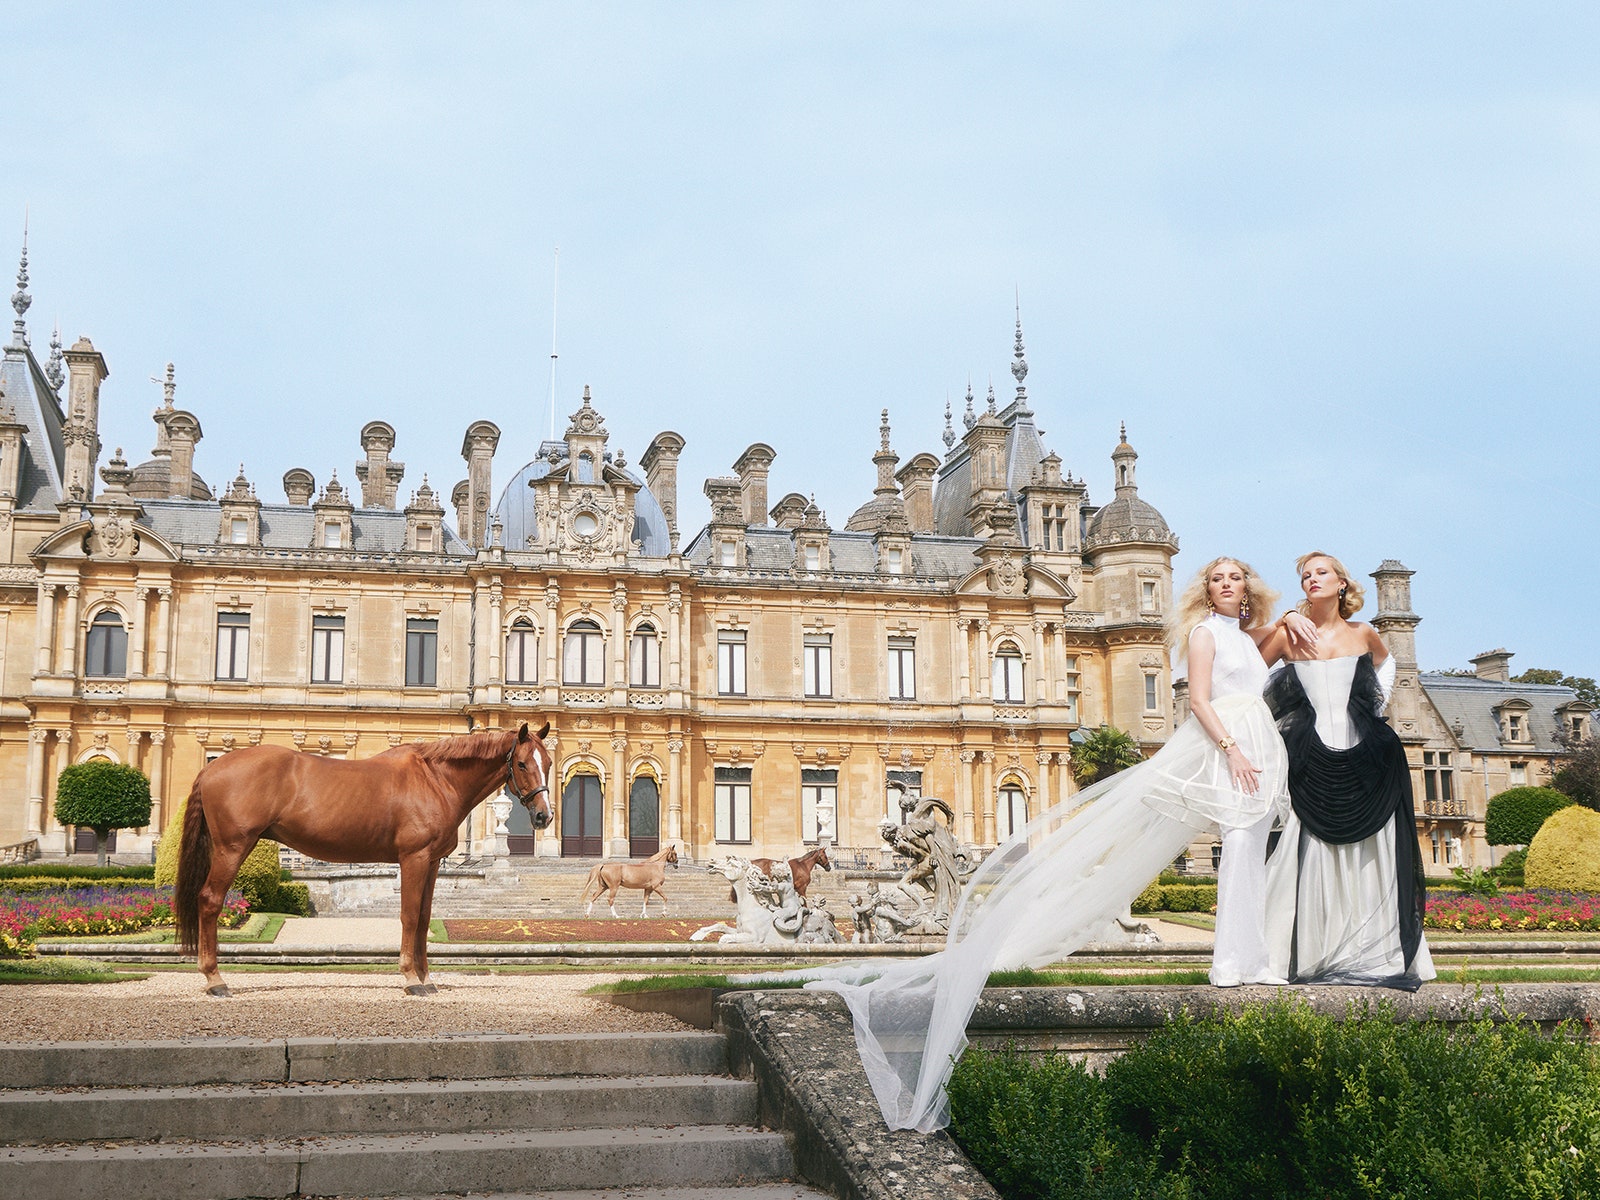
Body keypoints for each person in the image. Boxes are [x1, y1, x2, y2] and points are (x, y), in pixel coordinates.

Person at [784, 555, 1295, 1132]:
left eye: (1235, 577)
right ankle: (1231, 963)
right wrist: (1232, 747)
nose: (1226, 585)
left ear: (1248, 587)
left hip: (1253, 747)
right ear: (1206, 591)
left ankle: (1254, 960)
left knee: (1252, 851)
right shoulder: (1205, 634)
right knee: (1241, 852)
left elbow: (1288, 665)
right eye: (1216, 578)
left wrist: (1302, 628)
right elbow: (1200, 701)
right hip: (1230, 750)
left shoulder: (1251, 641)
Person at [1258, 551, 1435, 989]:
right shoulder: (1287, 635)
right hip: (1312, 761)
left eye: (1321, 572)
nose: (1311, 579)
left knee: (1373, 856)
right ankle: (1309, 954)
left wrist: (1376, 708)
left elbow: (1387, 666)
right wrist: (1282, 619)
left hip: (1369, 760)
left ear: (1341, 584)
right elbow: (1243, 672)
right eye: (1304, 575)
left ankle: (1378, 955)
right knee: (1308, 850)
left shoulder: (1364, 633)